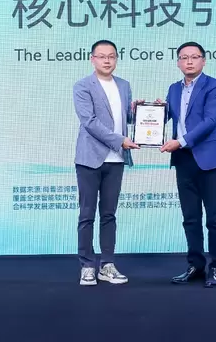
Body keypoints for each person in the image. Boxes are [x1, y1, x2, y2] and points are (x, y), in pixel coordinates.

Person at [159, 41, 216, 288]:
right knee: (190, 217)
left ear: (203, 60)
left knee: (214, 218)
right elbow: (164, 117)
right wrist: (147, 111)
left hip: (210, 160)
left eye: (194, 57)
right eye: (184, 57)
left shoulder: (214, 86)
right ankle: (195, 264)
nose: (189, 61)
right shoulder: (173, 89)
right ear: (178, 62)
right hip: (184, 160)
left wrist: (180, 141)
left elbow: (211, 121)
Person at [73, 40, 140, 286]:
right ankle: (87, 265)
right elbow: (89, 122)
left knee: (109, 214)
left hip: (117, 159)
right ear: (92, 59)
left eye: (111, 56)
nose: (107, 60)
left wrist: (144, 111)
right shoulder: (82, 86)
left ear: (116, 59)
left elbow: (127, 119)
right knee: (87, 214)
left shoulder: (123, 85)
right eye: (101, 56)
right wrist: (120, 140)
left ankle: (107, 265)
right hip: (90, 158)